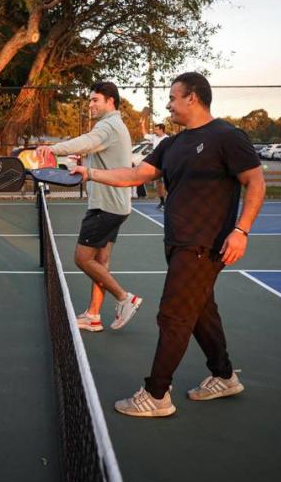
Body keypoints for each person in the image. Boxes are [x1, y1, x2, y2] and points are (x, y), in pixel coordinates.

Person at [72, 72, 265, 418]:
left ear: (192, 97)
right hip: (178, 242)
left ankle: (156, 394)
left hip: (205, 245)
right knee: (202, 311)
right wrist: (90, 174)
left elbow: (255, 181)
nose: (168, 104)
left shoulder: (227, 136)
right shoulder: (172, 144)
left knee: (173, 315)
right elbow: (135, 175)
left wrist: (242, 230)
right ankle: (223, 375)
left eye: (173, 98)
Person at [36, 81, 141, 334]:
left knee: (82, 259)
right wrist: (83, 159)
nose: (90, 104)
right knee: (101, 263)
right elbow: (99, 152)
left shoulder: (108, 125)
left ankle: (125, 298)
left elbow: (87, 140)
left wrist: (53, 148)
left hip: (105, 206)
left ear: (110, 102)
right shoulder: (114, 126)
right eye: (90, 100)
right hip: (116, 205)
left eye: (95, 100)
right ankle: (94, 316)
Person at [148, 123, 170, 210]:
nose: (155, 131)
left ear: (161, 130)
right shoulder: (154, 137)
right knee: (159, 184)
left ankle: (169, 203)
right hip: (157, 163)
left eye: (156, 129)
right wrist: (142, 123)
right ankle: (162, 202)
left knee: (167, 183)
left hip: (166, 163)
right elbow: (145, 134)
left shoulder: (167, 139)